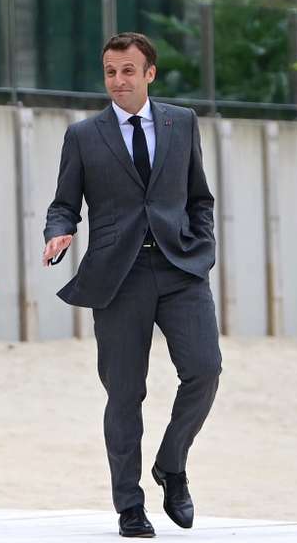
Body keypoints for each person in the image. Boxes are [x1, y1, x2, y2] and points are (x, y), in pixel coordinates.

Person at [43, 32, 222, 538]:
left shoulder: (181, 123)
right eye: (109, 72)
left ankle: (172, 463)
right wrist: (59, 232)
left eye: (127, 71)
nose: (117, 81)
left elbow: (199, 197)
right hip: (118, 277)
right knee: (125, 394)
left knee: (205, 371)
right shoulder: (83, 136)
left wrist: (201, 251)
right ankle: (129, 506)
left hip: (180, 269)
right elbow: (64, 203)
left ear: (149, 73)